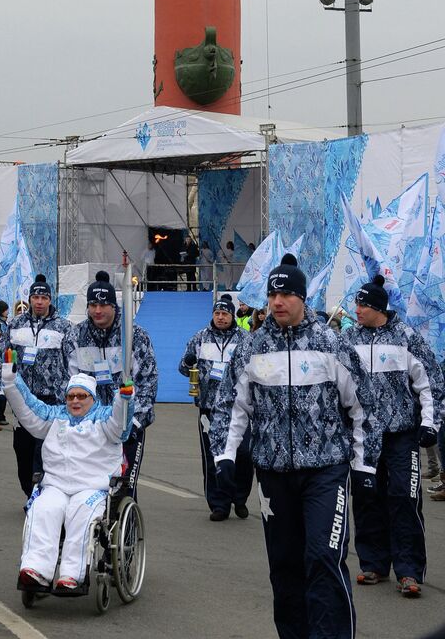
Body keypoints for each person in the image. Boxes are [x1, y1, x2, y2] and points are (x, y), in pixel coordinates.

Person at [211, 253, 380, 639]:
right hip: (273, 475)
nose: (278, 302)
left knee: (323, 557)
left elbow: (363, 408)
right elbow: (230, 408)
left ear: (303, 297)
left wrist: (366, 466)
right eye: (273, 295)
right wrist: (224, 455)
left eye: (286, 294)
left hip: (326, 471)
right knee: (284, 566)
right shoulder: (251, 348)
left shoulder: (331, 344)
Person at [344, 274, 444, 598]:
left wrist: (431, 423)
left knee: (404, 496)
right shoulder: (349, 339)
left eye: (362, 304)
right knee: (367, 497)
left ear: (378, 308)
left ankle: (409, 571)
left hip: (402, 434)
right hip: (364, 435)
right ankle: (373, 562)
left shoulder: (406, 337)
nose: (356, 309)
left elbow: (431, 382)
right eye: (357, 303)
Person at [1, 363, 133, 592]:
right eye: (71, 396)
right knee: (43, 509)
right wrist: (11, 380)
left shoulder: (104, 418)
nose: (75, 401)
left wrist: (123, 399)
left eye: (82, 396)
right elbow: (28, 407)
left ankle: (72, 575)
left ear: (92, 398)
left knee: (80, 513)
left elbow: (121, 428)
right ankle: (36, 570)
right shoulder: (54, 417)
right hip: (56, 485)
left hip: (92, 488)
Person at [70, 271, 157, 502]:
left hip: (127, 424)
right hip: (90, 426)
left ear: (114, 305)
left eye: (104, 305)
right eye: (93, 305)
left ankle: (124, 532)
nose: (98, 311)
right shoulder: (75, 337)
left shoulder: (134, 336)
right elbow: (67, 382)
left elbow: (148, 381)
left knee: (122, 488)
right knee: (87, 486)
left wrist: (136, 421)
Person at [0, 274, 76, 496]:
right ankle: (29, 491)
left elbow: (73, 364)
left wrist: (72, 394)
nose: (39, 302)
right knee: (23, 451)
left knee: (45, 453)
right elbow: (0, 357)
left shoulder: (64, 327)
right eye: (35, 297)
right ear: (29, 299)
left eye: (43, 297)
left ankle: (40, 498)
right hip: (23, 399)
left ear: (50, 300)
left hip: (52, 401)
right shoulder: (15, 325)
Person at [178, 294, 253, 521]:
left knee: (243, 455)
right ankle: (219, 504)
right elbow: (183, 368)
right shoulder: (200, 338)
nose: (221, 318)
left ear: (232, 315)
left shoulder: (245, 339)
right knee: (212, 457)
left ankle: (239, 498)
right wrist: (187, 362)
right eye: (217, 314)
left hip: (238, 407)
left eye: (225, 314)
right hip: (209, 408)